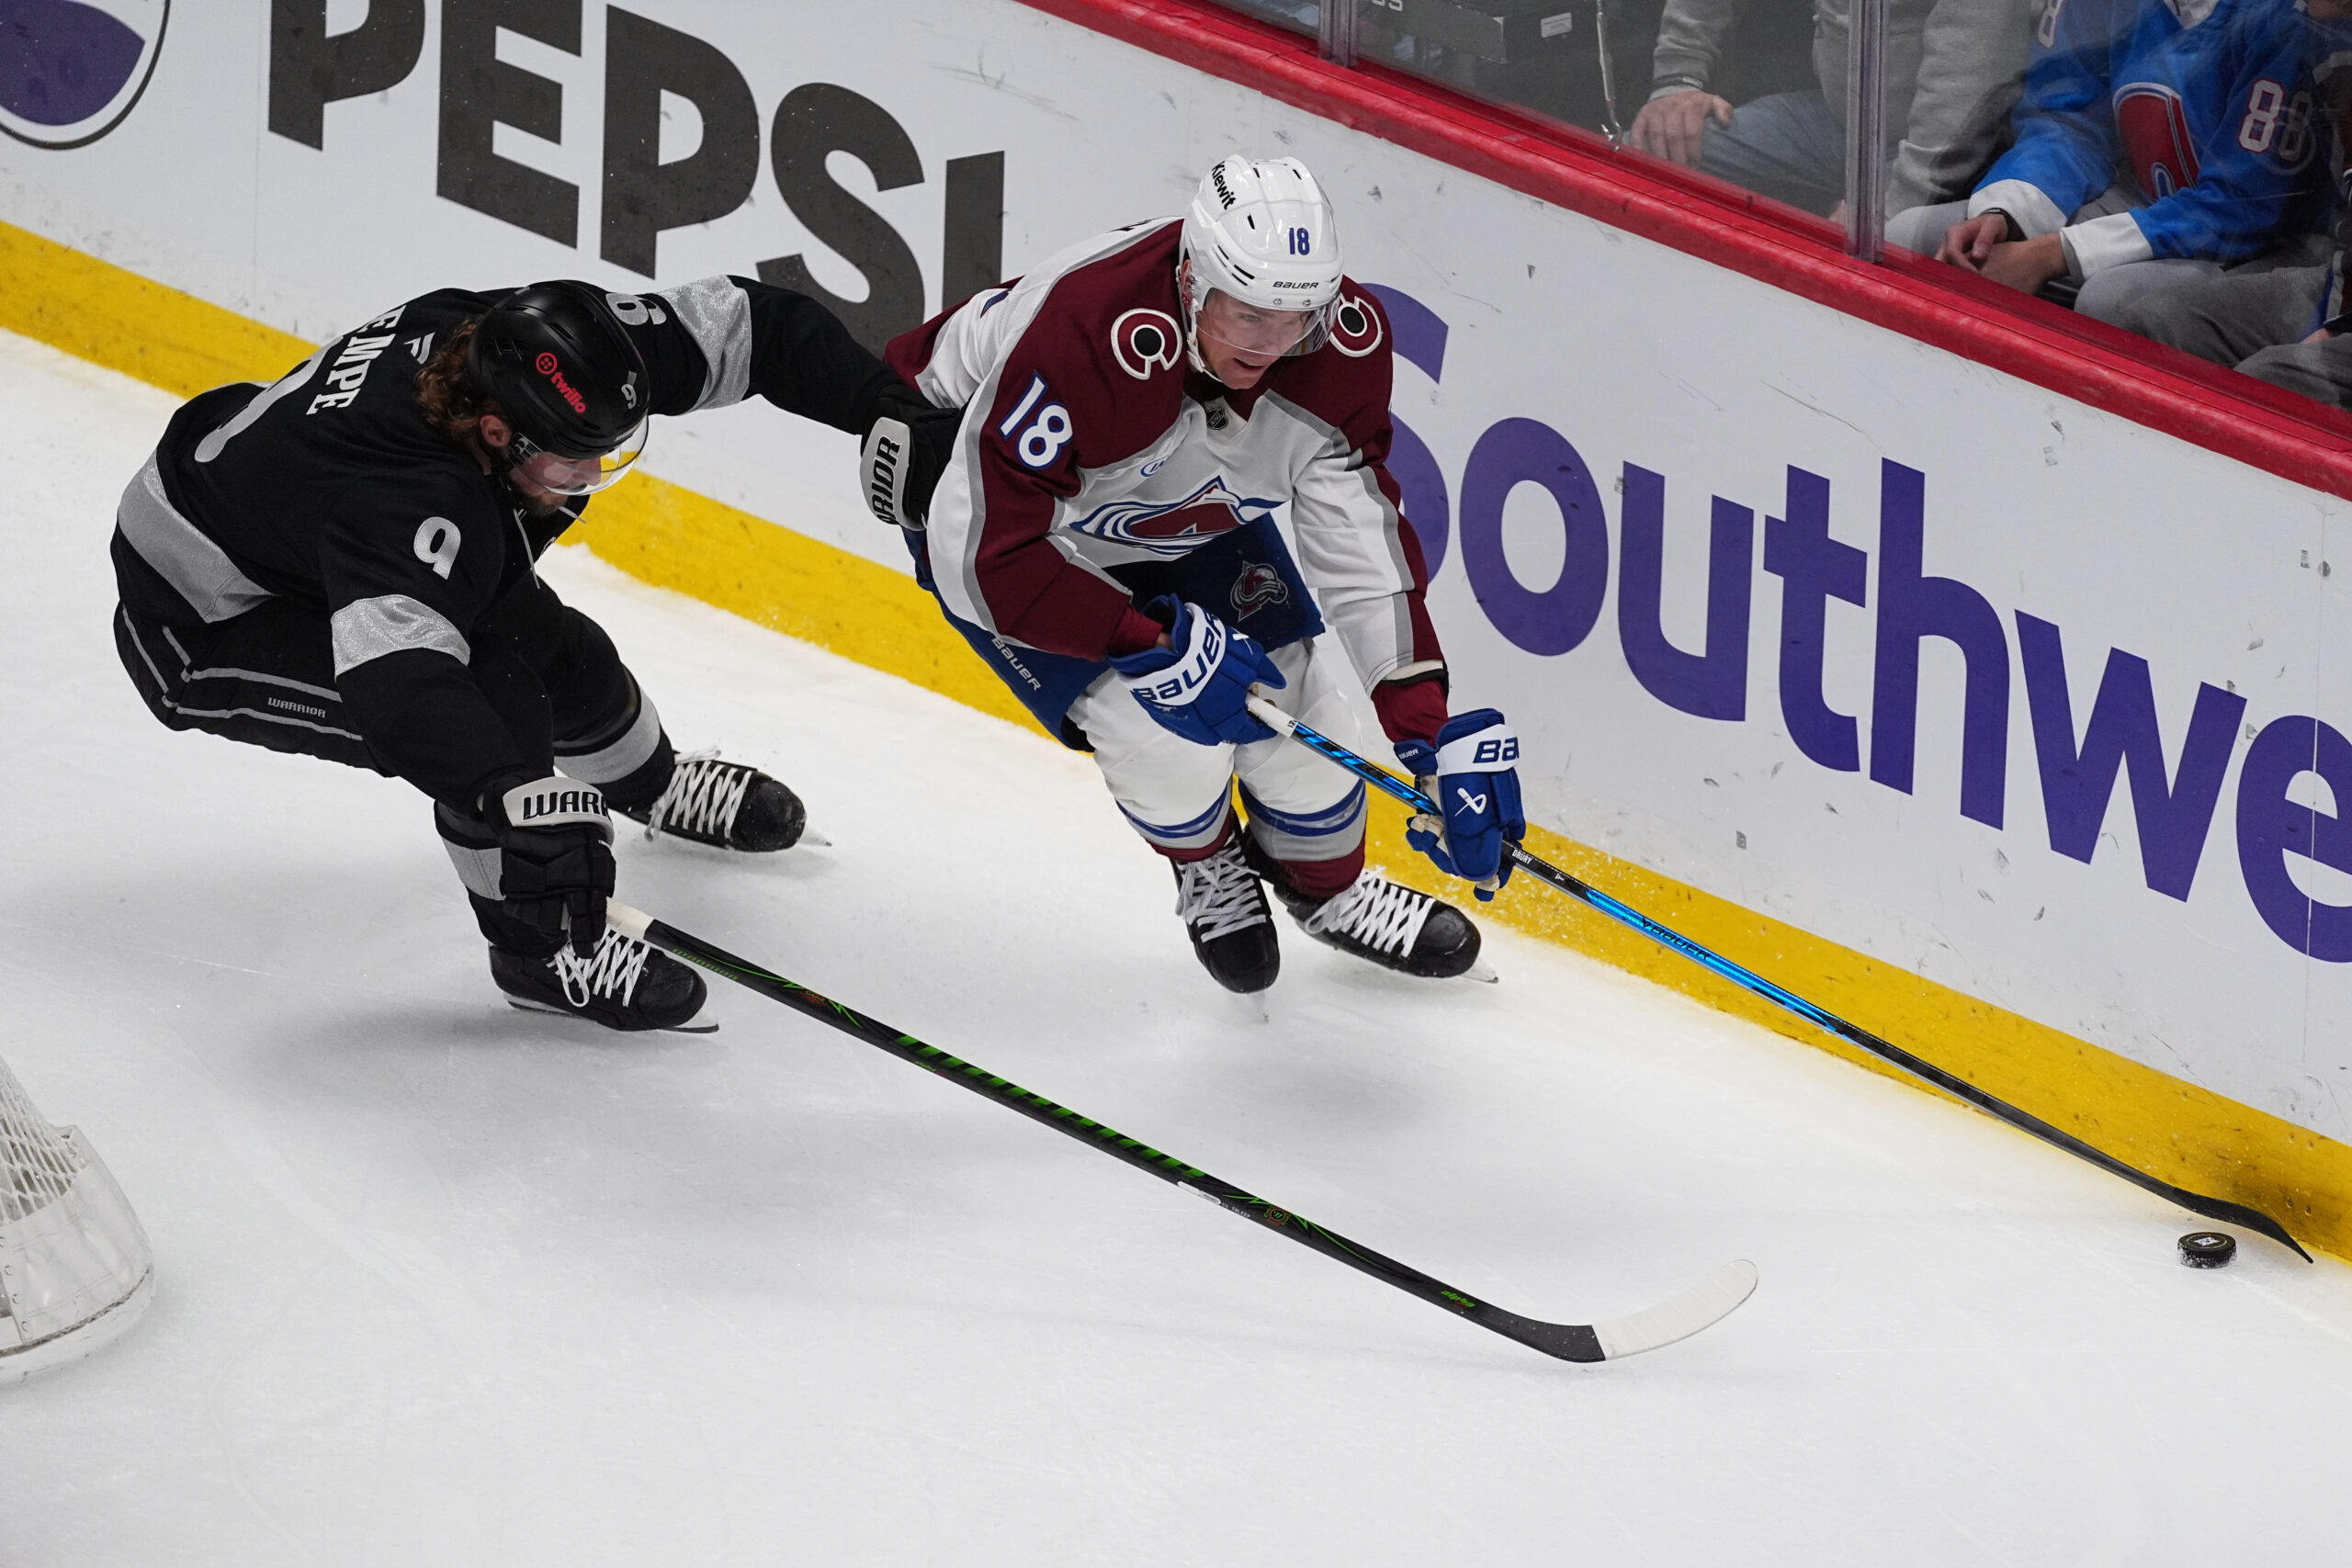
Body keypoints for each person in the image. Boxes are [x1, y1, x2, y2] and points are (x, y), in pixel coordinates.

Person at [112, 276, 948, 1031]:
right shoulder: (411, 503)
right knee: (499, 710)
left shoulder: (546, 350)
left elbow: (750, 326)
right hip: (204, 615)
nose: (590, 473)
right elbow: (403, 687)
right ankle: (540, 952)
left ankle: (651, 787)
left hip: (292, 519)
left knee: (567, 658)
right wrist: (514, 795)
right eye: (570, 460)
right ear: (495, 431)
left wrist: (881, 402)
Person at [869, 156, 1525, 996]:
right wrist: (1148, 644)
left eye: (1292, 318)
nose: (1266, 342)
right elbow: (980, 555)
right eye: (1245, 312)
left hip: (1181, 507)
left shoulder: (1338, 343)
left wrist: (1422, 721)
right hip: (1017, 531)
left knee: (1311, 728)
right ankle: (1206, 859)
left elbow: (1357, 535)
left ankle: (1324, 893)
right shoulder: (1086, 334)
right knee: (1162, 744)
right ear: (1191, 278)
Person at [1884, 0, 2331, 323]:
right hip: (2150, 202)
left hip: (2269, 239)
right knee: (1911, 235)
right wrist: (2006, 213)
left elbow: (2240, 206)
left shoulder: (2287, 17)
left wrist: (2051, 253)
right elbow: (2068, 118)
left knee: (2115, 302)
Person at [1631, 0, 2031, 223]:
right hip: (1835, 118)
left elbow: (1965, 80)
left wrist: (1883, 209)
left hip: (1937, 151)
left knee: (1877, 256)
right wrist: (1678, 80)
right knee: (1655, 154)